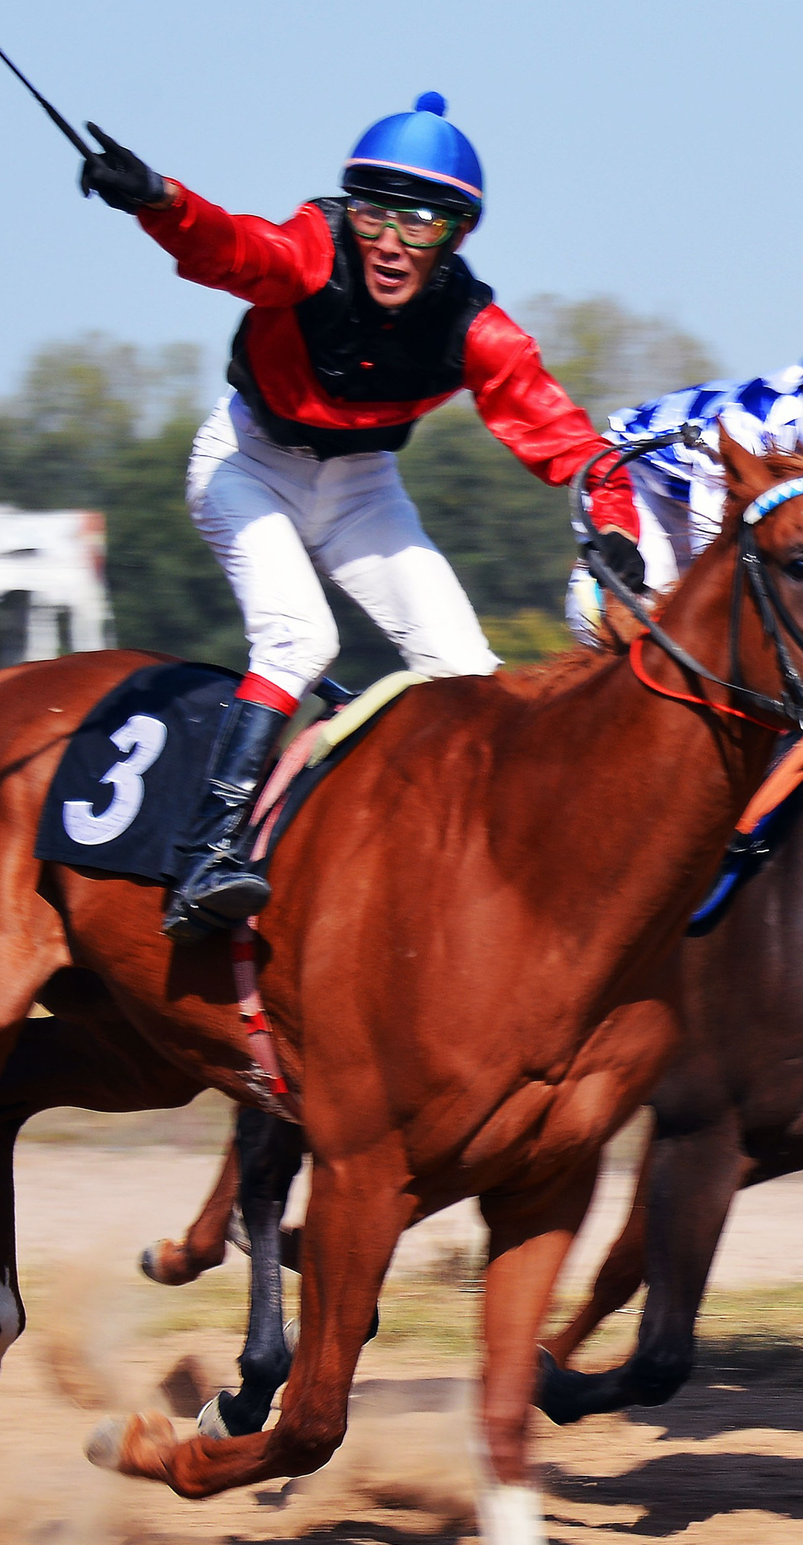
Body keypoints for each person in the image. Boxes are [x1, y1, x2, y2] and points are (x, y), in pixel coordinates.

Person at [78, 95, 639, 939]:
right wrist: (160, 201)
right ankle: (206, 854)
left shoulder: (477, 327)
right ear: (351, 208)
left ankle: (463, 871)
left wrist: (619, 531)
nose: (390, 243)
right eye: (376, 214)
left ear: (456, 234)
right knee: (300, 639)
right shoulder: (312, 245)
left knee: (466, 671)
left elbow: (569, 442)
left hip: (363, 488)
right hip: (248, 466)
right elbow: (235, 248)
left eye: (422, 224)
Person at [566, 308, 803, 646]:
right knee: (649, 624)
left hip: (700, 494)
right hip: (632, 483)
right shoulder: (751, 428)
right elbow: (714, 555)